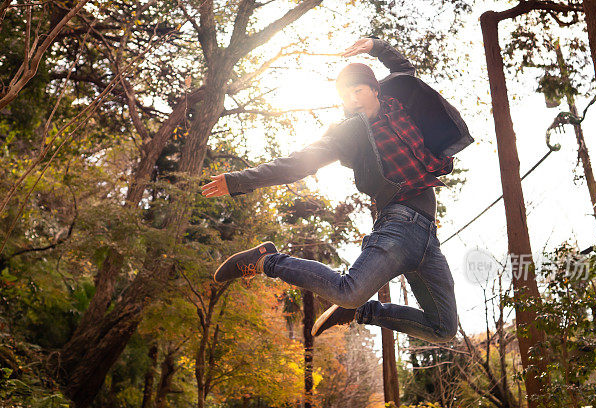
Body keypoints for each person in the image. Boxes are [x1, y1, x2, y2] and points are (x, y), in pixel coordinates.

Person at [201, 37, 470, 342]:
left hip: (427, 237)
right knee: (349, 290)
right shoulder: (349, 134)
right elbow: (299, 163)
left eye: (358, 90)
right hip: (398, 225)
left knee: (444, 329)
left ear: (375, 89)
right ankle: (267, 260)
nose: (353, 99)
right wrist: (239, 181)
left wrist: (376, 46)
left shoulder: (402, 100)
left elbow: (403, 68)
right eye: (346, 95)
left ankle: (361, 312)